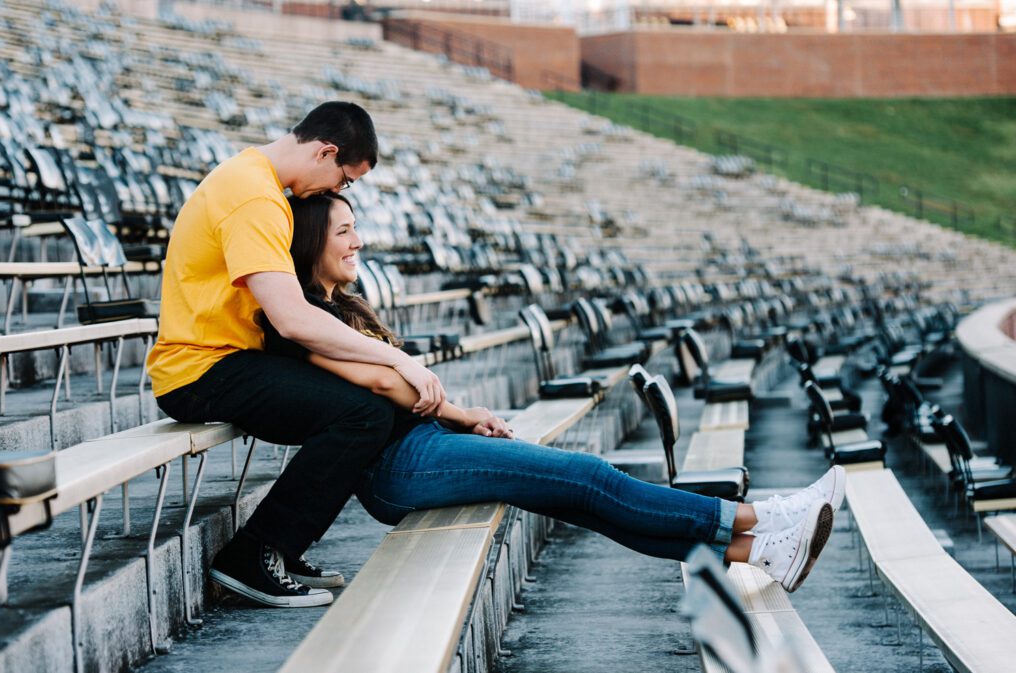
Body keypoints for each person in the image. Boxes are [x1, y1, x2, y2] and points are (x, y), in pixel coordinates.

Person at [262, 192, 844, 595]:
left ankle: (760, 552)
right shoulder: (303, 319)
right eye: (344, 231)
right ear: (312, 242)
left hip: (422, 446)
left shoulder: (341, 308)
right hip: (398, 465)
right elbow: (387, 383)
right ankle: (760, 515)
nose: (358, 241)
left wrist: (452, 412)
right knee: (588, 477)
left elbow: (399, 384)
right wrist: (455, 407)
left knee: (580, 501)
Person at [147, 102, 449, 608]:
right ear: (326, 152)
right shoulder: (254, 197)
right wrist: (400, 361)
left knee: (366, 405)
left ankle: (281, 547)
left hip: (230, 359)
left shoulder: (253, 182)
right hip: (200, 368)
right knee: (361, 414)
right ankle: (257, 553)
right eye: (344, 180)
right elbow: (294, 319)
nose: (337, 193)